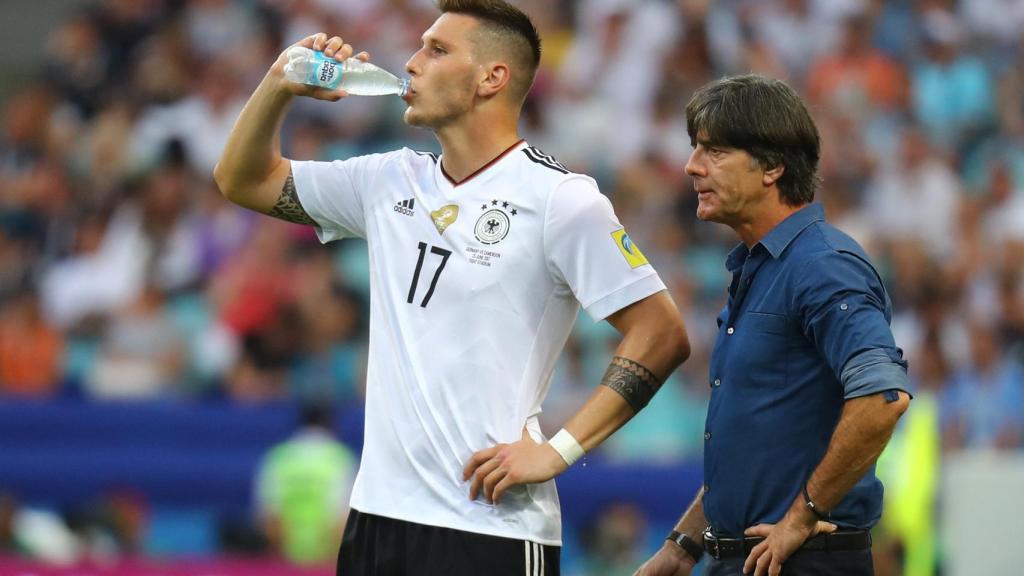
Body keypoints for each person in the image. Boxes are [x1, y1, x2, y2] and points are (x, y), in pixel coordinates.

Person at [214, 1, 691, 574]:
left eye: (437, 50)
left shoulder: (561, 200)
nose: (411, 64)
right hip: (376, 519)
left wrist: (559, 451)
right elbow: (242, 179)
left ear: (493, 77)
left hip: (489, 526)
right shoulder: (386, 179)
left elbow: (660, 331)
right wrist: (279, 84)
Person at [634, 74, 911, 576]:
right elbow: (754, 446)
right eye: (696, 148)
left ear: (773, 167)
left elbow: (882, 399)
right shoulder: (760, 268)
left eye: (715, 151)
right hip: (746, 557)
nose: (691, 166)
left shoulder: (823, 265)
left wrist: (802, 516)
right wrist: (683, 546)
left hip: (802, 562)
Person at [254, 402, 357, 566]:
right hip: (327, 562)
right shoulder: (342, 458)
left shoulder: (277, 458)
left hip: (285, 561)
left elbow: (269, 518)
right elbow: (343, 521)